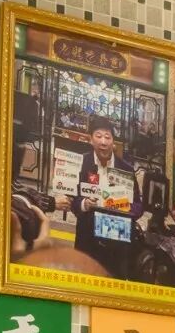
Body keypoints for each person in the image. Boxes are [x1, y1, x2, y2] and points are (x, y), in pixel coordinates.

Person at [55, 117, 142, 279]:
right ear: (90, 139)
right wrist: (84, 203)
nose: (103, 142)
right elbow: (73, 199)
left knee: (113, 282)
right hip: (87, 238)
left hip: (118, 241)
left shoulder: (126, 169)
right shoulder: (81, 163)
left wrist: (124, 208)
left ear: (113, 142)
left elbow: (138, 205)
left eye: (107, 137)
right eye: (99, 136)